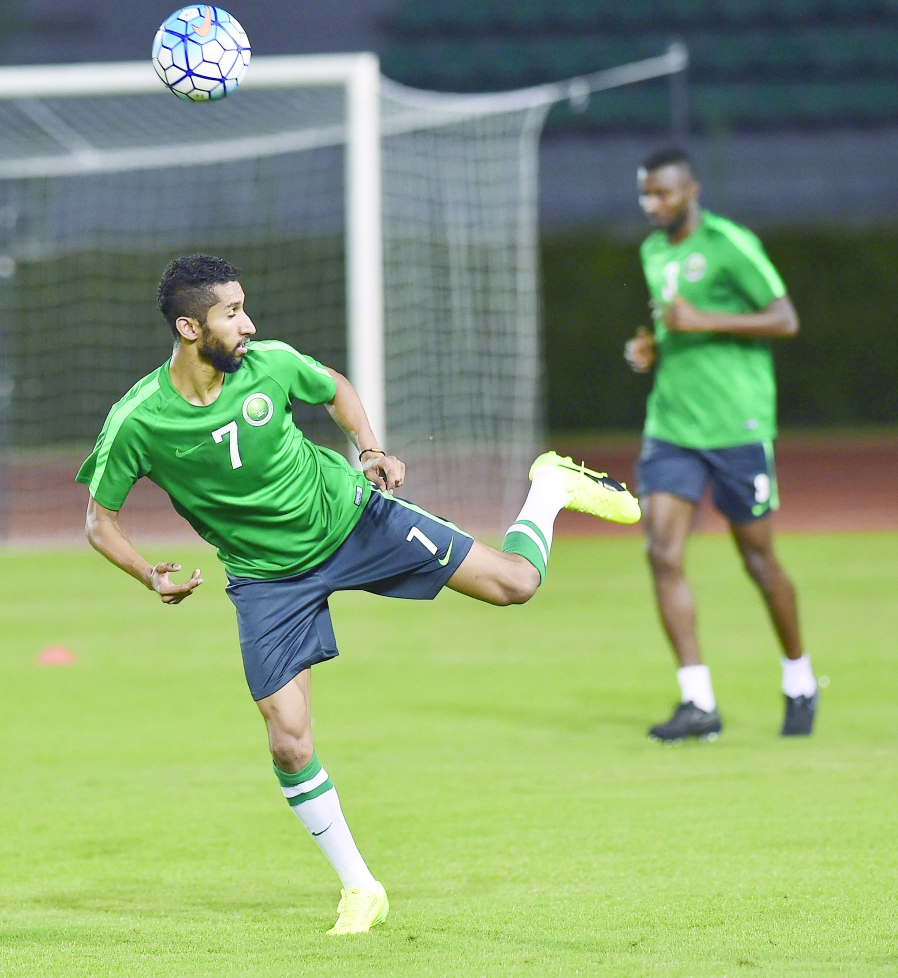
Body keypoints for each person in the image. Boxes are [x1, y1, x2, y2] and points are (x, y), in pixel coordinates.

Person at [77, 254, 640, 935]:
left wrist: (369, 448)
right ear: (190, 327)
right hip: (266, 580)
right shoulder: (138, 419)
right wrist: (147, 573)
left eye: (245, 307)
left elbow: (334, 387)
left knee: (515, 584)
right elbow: (99, 522)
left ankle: (548, 486)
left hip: (351, 520)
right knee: (287, 742)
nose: (248, 324)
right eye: (232, 313)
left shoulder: (272, 364)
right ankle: (360, 887)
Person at [624, 147, 818, 743]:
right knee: (662, 552)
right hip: (672, 425)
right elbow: (668, 320)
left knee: (757, 558)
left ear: (691, 191)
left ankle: (799, 677)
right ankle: (698, 703)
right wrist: (650, 347)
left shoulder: (730, 243)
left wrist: (702, 320)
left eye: (664, 194)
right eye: (647, 195)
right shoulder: (652, 251)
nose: (654, 205)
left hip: (736, 426)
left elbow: (785, 319)